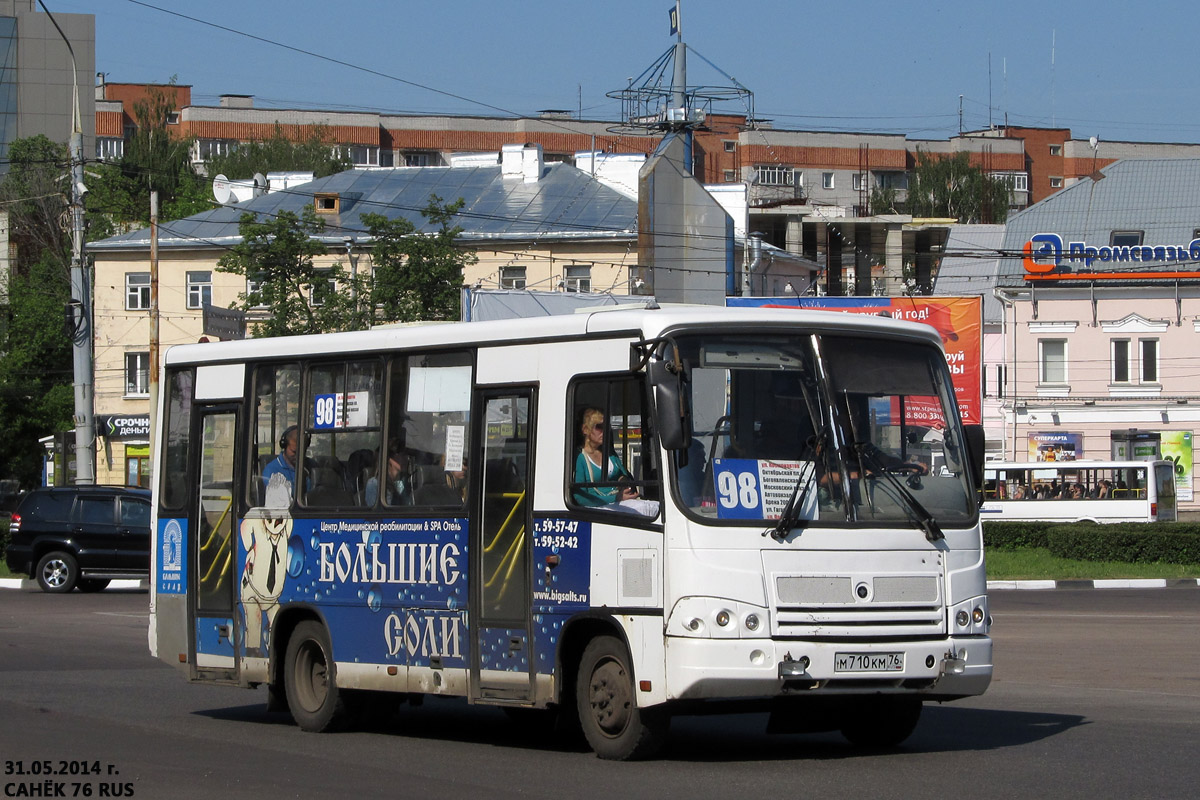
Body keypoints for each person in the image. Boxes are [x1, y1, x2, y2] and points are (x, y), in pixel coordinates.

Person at [573, 408, 659, 516]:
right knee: (649, 511)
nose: (604, 431)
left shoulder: (610, 453)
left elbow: (625, 474)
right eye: (599, 427)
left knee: (656, 507)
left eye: (606, 427)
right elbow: (579, 497)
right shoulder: (580, 457)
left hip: (620, 502)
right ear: (585, 429)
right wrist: (616, 497)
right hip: (599, 508)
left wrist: (623, 481)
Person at [262, 425, 302, 506]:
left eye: (301, 452)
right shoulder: (272, 470)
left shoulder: (309, 467)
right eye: (294, 452)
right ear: (284, 446)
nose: (298, 456)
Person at [366, 438, 414, 506]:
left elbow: (406, 505)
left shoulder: (400, 482)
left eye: (407, 456)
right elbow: (378, 514)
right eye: (403, 455)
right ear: (390, 459)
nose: (407, 459)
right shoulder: (374, 484)